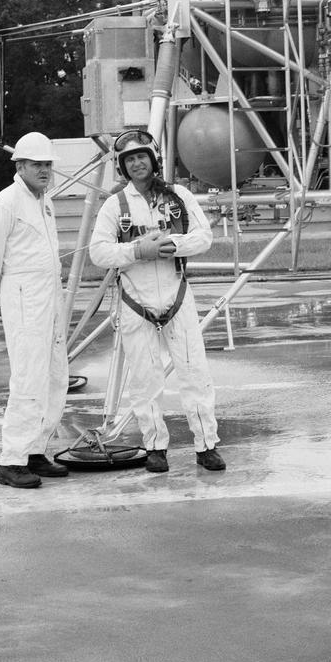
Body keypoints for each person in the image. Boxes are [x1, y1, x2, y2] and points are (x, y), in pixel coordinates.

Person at [88, 130, 225, 475]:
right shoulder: (114, 205)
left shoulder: (178, 196)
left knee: (195, 374)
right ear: (123, 166)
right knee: (145, 379)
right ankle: (155, 448)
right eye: (129, 160)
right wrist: (137, 250)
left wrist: (171, 245)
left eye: (141, 157)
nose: (137, 164)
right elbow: (98, 252)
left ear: (153, 160)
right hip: (137, 304)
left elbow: (204, 237)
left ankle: (206, 445)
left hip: (177, 299)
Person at [0, 132, 71, 489]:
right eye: (37, 164)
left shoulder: (45, 201)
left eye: (48, 164)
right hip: (23, 296)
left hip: (50, 296)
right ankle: (11, 461)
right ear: (20, 166)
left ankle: (35, 450)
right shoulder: (6, 203)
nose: (44, 170)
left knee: (55, 375)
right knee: (29, 378)